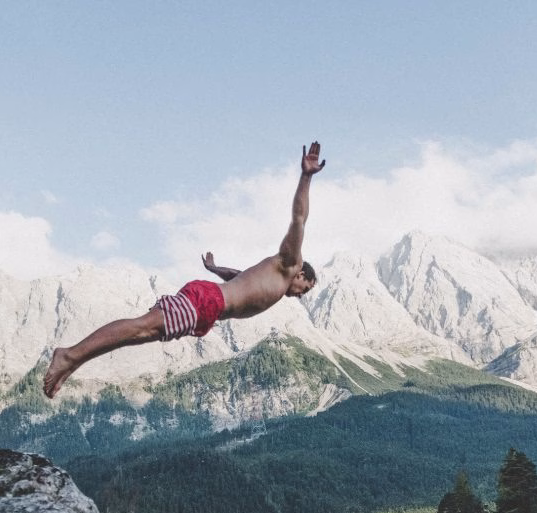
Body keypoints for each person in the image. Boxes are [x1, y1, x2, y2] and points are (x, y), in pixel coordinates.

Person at [43, 141, 325, 398]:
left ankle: (74, 360)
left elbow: (238, 277)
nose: (301, 295)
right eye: (306, 289)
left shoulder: (272, 276)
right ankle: (69, 355)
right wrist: (306, 177)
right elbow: (299, 219)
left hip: (209, 303)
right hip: (208, 301)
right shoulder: (290, 263)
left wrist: (216, 268)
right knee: (142, 328)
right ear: (301, 274)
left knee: (143, 334)